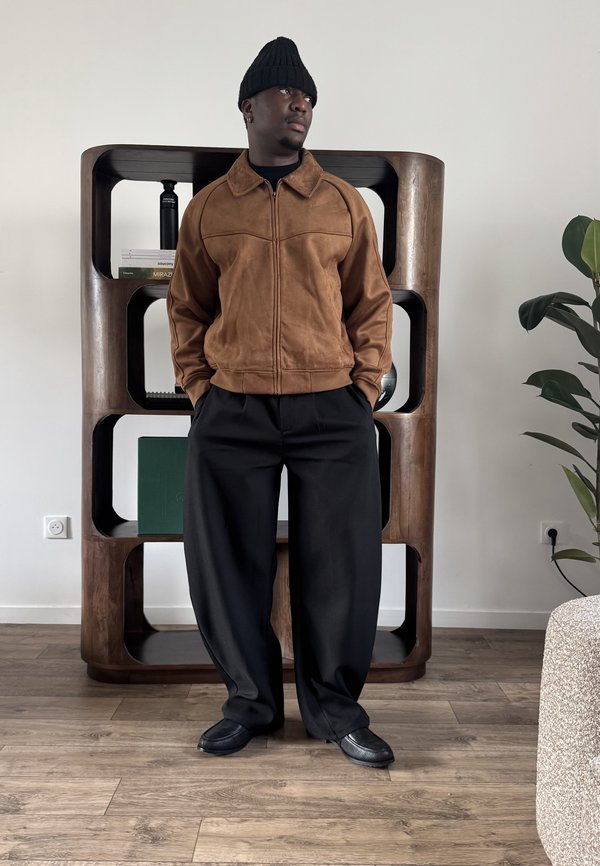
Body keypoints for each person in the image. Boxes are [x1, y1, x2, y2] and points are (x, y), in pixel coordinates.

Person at [167, 36, 394, 769]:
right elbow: (186, 307)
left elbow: (373, 301)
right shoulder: (207, 209)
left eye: (307, 98)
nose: (300, 106)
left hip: (332, 410)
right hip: (231, 410)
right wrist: (201, 388)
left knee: (342, 564)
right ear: (248, 107)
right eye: (285, 94)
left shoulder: (341, 203)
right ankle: (250, 705)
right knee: (227, 562)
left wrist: (363, 386)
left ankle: (337, 710)